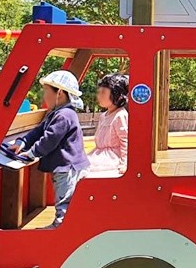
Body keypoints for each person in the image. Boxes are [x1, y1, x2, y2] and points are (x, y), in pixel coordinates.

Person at [8, 70, 88, 228]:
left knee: (64, 200)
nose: (44, 96)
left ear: (59, 93)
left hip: (68, 167)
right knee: (63, 197)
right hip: (64, 166)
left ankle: (61, 227)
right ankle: (61, 226)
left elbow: (49, 139)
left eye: (46, 91)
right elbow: (39, 130)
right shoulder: (56, 113)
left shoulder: (64, 115)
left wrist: (31, 153)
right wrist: (22, 142)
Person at [87, 73, 129, 176]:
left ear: (117, 95)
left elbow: (125, 141)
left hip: (111, 157)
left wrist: (124, 163)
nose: (99, 96)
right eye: (99, 92)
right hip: (99, 153)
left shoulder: (120, 115)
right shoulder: (103, 116)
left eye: (103, 92)